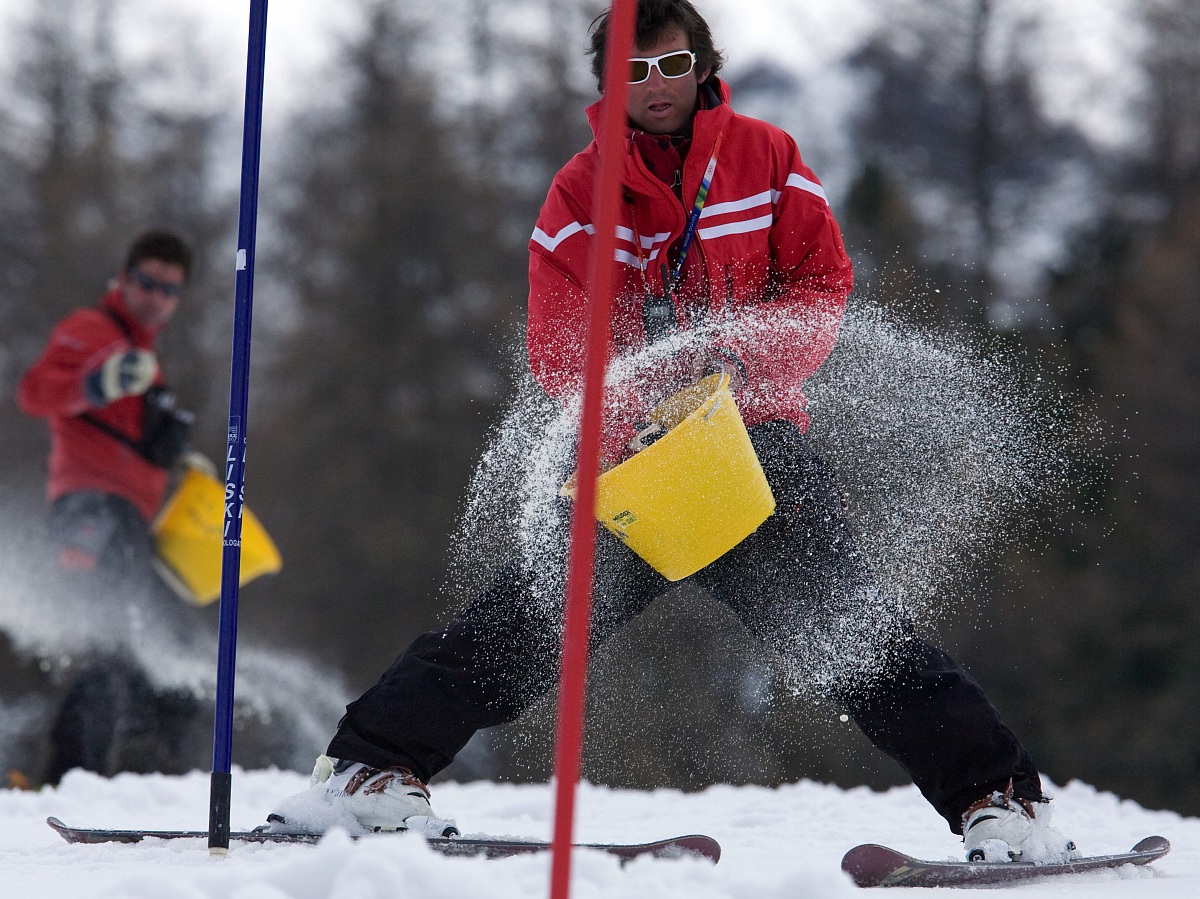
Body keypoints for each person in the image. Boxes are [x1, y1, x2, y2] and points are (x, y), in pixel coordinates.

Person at [271, 0, 1075, 862]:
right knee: (530, 619)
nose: (655, 88)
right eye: (633, 72)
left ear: (700, 64)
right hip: (638, 465)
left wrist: (735, 358)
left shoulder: (767, 157)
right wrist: (638, 401)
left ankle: (1002, 803)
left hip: (753, 451)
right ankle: (370, 771)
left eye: (669, 66)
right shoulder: (580, 192)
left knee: (852, 635)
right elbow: (556, 347)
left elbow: (819, 286)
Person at [18, 229, 203, 784]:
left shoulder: (148, 357)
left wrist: (178, 464)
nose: (155, 297)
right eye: (146, 282)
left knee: (158, 644)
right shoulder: (92, 331)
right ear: (123, 280)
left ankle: (116, 773)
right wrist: (94, 384)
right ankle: (78, 775)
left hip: (130, 518)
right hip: (90, 508)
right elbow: (35, 393)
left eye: (168, 290)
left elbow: (129, 443)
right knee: (111, 637)